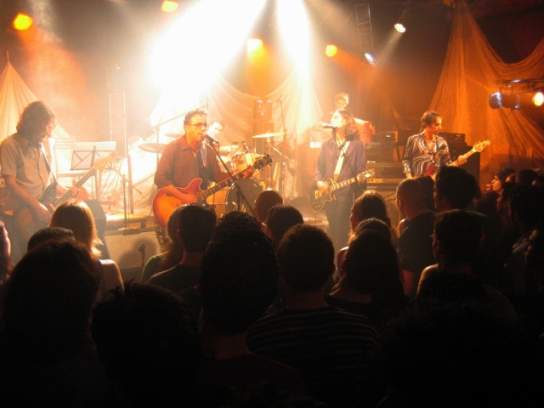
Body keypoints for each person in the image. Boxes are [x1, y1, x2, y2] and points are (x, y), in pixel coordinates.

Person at [0, 101, 58, 260]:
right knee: (31, 251)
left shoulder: (43, 144)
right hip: (21, 208)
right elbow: (11, 183)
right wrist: (36, 205)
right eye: (46, 128)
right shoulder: (10, 145)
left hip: (43, 203)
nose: (49, 134)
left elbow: (48, 180)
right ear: (34, 124)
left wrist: (67, 190)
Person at [50, 200, 123, 301]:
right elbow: (120, 308)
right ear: (90, 229)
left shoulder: (43, 274)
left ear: (54, 229)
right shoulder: (108, 270)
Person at [316, 110, 367, 250]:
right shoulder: (327, 145)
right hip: (328, 193)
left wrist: (361, 178)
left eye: (336, 117)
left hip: (346, 193)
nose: (332, 119)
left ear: (346, 122)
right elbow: (319, 167)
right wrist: (319, 182)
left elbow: (361, 170)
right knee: (332, 226)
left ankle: (341, 254)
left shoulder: (357, 145)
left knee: (341, 227)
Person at [155, 109, 227, 193]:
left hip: (200, 199)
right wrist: (183, 197)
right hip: (177, 200)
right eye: (198, 125)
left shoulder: (208, 151)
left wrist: (237, 174)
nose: (203, 128)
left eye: (205, 125)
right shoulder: (172, 148)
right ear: (186, 127)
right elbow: (160, 179)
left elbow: (217, 176)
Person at [402, 111, 464, 178]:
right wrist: (409, 177)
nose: (440, 127)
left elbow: (447, 165)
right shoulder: (414, 140)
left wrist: (457, 162)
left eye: (440, 125)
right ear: (426, 124)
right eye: (437, 125)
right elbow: (406, 160)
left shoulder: (442, 142)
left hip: (436, 181)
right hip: (418, 181)